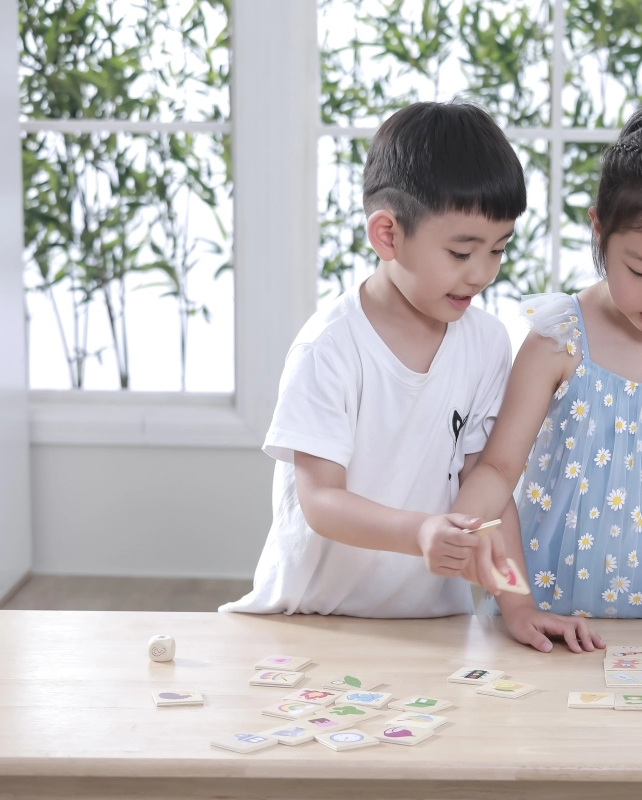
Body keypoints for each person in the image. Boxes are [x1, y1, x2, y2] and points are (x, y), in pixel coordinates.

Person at [221, 100, 604, 652]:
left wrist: (519, 606)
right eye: (461, 252)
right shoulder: (329, 348)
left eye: (498, 250)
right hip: (312, 618)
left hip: (430, 625)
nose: (482, 273)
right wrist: (419, 531)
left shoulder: (486, 342)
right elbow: (320, 500)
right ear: (388, 235)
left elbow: (488, 488)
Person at [453, 103, 642, 643]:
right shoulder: (558, 338)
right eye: (639, 270)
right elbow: (497, 471)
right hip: (551, 610)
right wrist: (498, 580)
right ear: (599, 231)